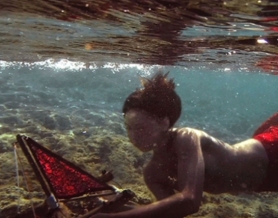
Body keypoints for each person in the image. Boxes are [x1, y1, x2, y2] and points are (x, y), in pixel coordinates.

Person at [93, 72, 278, 218]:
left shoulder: (186, 137)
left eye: (140, 128)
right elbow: (174, 213)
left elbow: (190, 200)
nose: (133, 136)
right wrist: (118, 207)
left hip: (273, 151)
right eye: (129, 128)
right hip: (268, 180)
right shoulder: (153, 174)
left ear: (164, 122)